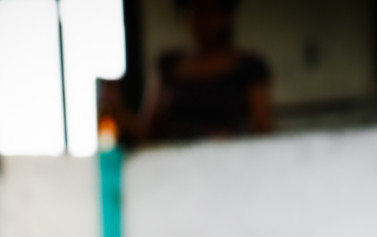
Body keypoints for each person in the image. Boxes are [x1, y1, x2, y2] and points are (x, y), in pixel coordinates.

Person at [104, 0, 272, 144]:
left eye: (209, 10)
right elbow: (149, 131)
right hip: (174, 162)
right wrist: (118, 109)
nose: (201, 19)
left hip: (227, 162)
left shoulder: (249, 66)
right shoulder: (168, 65)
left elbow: (263, 131)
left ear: (226, 14)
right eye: (193, 10)